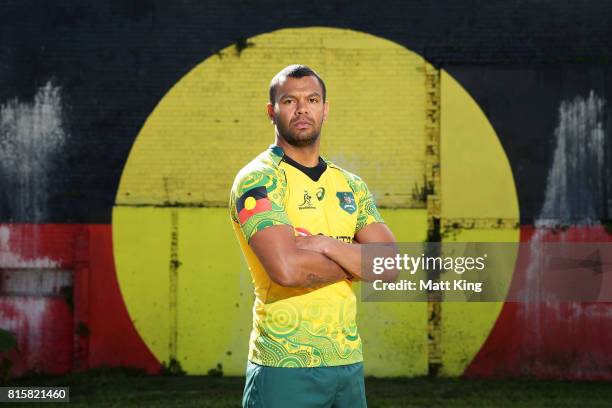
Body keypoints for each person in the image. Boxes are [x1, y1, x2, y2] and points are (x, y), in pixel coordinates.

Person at [229, 64, 396, 408]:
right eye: (289, 100)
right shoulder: (258, 180)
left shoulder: (350, 185)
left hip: (347, 363)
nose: (302, 108)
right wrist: (358, 260)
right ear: (271, 112)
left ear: (325, 109)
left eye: (312, 99)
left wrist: (327, 244)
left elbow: (391, 266)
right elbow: (287, 271)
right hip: (284, 365)